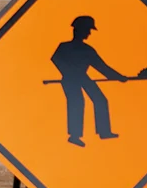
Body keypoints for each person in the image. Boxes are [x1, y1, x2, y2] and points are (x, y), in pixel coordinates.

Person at [51, 15, 127, 147]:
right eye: (87, 30)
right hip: (70, 79)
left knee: (100, 99)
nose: (89, 33)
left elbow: (101, 67)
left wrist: (119, 77)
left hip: (83, 76)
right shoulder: (64, 47)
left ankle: (104, 132)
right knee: (77, 102)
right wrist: (68, 72)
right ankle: (74, 136)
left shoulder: (87, 50)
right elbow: (56, 59)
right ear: (78, 30)